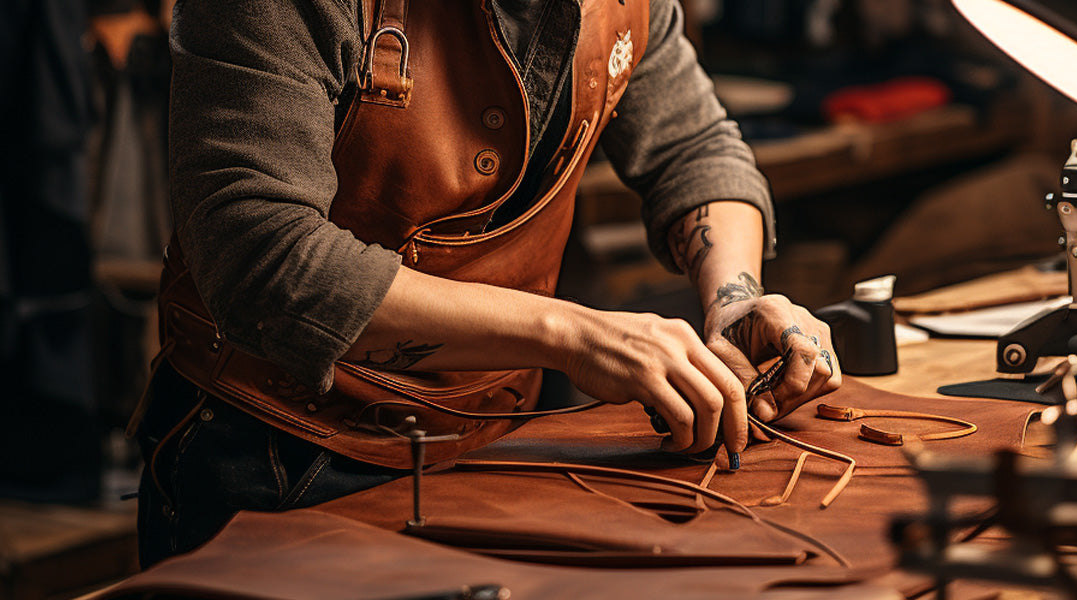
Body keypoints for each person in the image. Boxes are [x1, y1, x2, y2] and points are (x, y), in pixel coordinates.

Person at [136, 0, 841, 567]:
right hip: (276, 455)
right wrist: (572, 333)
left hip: (503, 443)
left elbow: (692, 145)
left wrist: (736, 297)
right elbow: (262, 256)